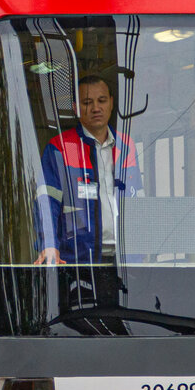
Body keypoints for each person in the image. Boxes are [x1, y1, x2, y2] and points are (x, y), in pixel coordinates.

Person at [34, 71, 143, 266]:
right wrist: (49, 244)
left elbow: (139, 202)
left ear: (111, 103)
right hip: (79, 261)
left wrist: (145, 248)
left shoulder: (127, 145)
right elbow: (46, 202)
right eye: (87, 103)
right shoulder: (59, 147)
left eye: (101, 100)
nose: (96, 108)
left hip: (127, 259)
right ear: (76, 108)